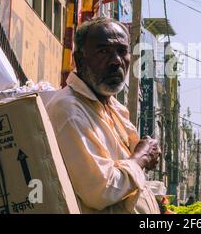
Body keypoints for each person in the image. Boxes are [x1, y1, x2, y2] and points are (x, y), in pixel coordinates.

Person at [47, 18, 161, 214]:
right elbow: (101, 190)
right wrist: (141, 157)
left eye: (122, 51)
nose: (116, 61)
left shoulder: (113, 107)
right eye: (103, 51)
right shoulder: (69, 110)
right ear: (80, 60)